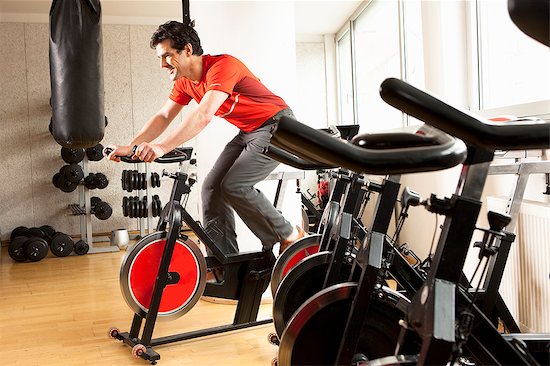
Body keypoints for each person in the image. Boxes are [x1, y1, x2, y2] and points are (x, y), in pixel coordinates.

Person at [106, 20, 305, 257]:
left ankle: (290, 235)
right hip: (249, 131)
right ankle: (224, 262)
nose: (162, 64)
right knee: (212, 188)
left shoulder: (222, 66)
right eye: (159, 57)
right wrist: (131, 147)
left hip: (278, 126)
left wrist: (161, 147)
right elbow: (164, 116)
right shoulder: (185, 82)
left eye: (167, 56)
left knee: (235, 185)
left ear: (188, 50)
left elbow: (203, 115)